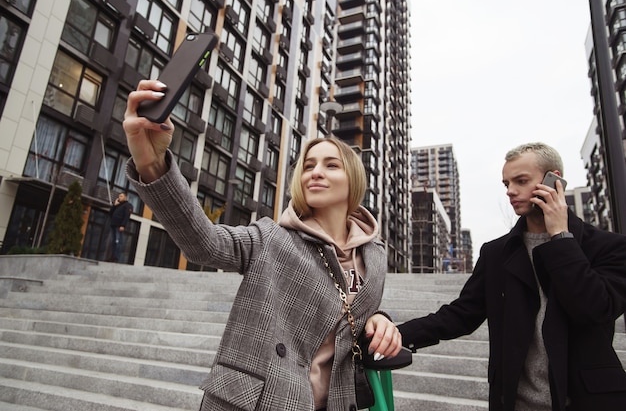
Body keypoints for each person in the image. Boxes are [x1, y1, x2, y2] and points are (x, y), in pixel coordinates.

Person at [122, 79, 402, 411]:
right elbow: (205, 245)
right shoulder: (271, 238)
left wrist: (380, 318)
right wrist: (152, 164)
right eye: (308, 166)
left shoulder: (373, 256)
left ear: (353, 179)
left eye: (331, 165)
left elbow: (350, 319)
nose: (315, 172)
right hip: (258, 401)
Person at [398, 142, 626, 411]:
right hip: (516, 403)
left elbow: (595, 308)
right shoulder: (497, 253)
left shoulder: (608, 246)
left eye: (521, 181)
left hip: (590, 401)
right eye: (506, 183)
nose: (510, 191)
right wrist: (397, 334)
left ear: (554, 180)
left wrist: (561, 238)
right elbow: (462, 314)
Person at [108, 192, 132, 262]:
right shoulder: (117, 205)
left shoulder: (127, 205)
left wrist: (123, 225)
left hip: (119, 225)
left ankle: (116, 257)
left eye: (121, 196)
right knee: (113, 242)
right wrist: (114, 206)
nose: (119, 198)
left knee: (118, 241)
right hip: (113, 225)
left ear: (125, 197)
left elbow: (126, 216)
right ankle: (112, 256)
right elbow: (110, 214)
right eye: (119, 196)